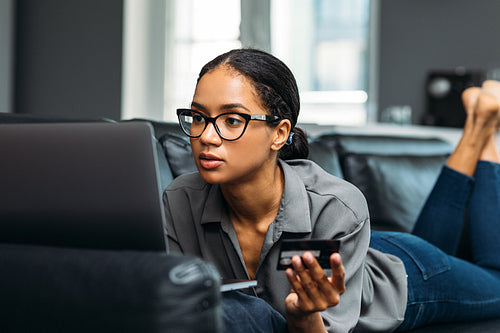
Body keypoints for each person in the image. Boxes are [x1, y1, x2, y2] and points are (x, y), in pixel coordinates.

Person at [163, 48, 500, 332]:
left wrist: (305, 315)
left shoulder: (337, 206)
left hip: (408, 277)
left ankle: (482, 133)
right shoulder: (179, 201)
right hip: (356, 244)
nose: (206, 136)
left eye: (231, 120)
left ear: (279, 134)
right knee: (440, 242)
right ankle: (481, 125)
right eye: (197, 117)